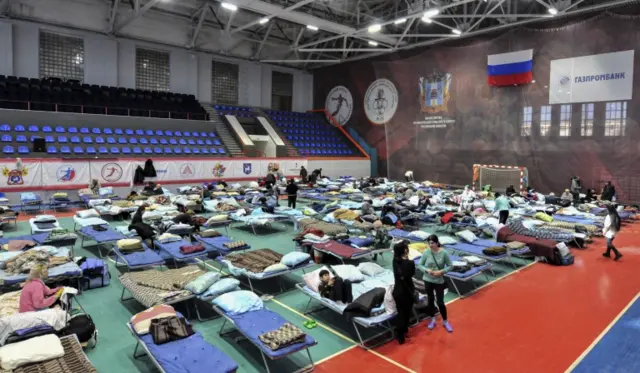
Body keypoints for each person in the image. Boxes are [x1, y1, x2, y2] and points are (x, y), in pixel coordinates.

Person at [417, 235, 453, 333]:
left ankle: (445, 321)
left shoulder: (444, 253)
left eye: (432, 243)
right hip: (428, 280)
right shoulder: (426, 252)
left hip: (439, 281)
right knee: (430, 300)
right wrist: (427, 270)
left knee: (440, 302)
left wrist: (441, 272)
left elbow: (450, 266)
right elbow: (420, 265)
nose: (430, 245)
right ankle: (432, 319)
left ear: (437, 243)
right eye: (429, 243)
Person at [391, 240, 415, 344]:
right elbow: (411, 274)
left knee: (401, 312)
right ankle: (401, 332)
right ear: (405, 251)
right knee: (406, 313)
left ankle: (401, 332)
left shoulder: (395, 261)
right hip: (407, 291)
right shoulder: (410, 263)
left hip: (398, 291)